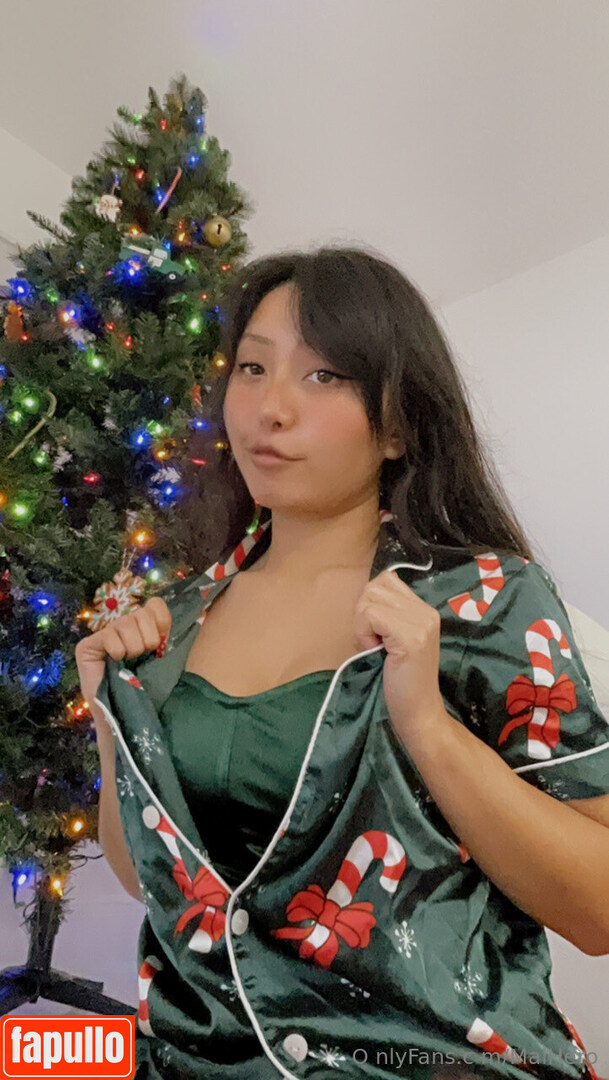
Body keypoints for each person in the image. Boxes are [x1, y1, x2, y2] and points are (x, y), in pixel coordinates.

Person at [76, 247, 609, 1080]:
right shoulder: (174, 621)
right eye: (252, 368)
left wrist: (428, 728)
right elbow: (156, 887)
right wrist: (114, 721)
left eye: (324, 376)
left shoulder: (487, 599)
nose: (270, 408)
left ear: (396, 425)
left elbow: (599, 911)